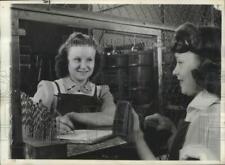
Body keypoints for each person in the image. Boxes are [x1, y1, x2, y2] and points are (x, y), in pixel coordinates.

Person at [132, 22, 221, 160]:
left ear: (204, 66)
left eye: (180, 62)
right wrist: (174, 130)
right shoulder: (202, 107)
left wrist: (137, 138)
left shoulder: (209, 117)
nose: (174, 71)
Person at [32, 32, 116, 134]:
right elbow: (30, 126)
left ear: (95, 62)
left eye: (89, 60)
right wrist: (50, 126)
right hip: (61, 149)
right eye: (77, 60)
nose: (83, 66)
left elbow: (112, 118)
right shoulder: (49, 89)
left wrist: (73, 116)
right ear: (66, 62)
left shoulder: (102, 92)